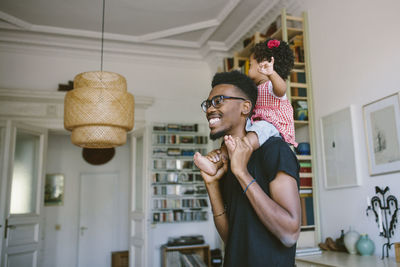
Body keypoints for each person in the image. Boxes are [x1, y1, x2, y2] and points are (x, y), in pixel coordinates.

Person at [197, 70, 301, 267]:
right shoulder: (226, 162)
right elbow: (231, 238)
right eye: (208, 104)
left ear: (245, 107)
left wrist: (242, 173)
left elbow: (290, 234)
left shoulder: (275, 150)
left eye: (218, 101)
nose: (210, 109)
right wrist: (211, 184)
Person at [194, 38, 296, 176]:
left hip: (272, 124)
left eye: (250, 64)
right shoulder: (254, 89)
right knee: (232, 134)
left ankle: (241, 150)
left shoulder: (272, 85)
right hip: (256, 121)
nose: (248, 68)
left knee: (260, 128)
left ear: (263, 66)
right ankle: (216, 163)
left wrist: (271, 73)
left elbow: (282, 89)